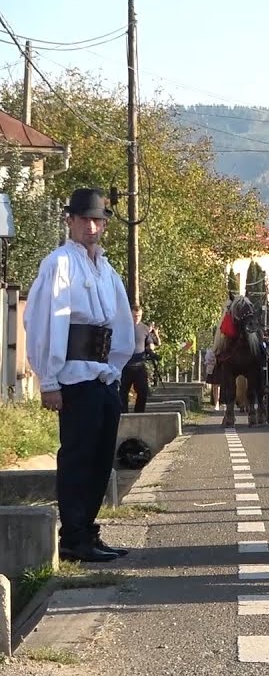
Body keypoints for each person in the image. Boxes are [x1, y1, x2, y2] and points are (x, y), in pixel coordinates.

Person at [24, 188, 135, 563]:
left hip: (103, 375)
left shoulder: (107, 270)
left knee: (102, 459)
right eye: (84, 219)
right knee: (77, 458)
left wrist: (116, 369)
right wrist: (49, 380)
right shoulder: (59, 264)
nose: (91, 226)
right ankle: (72, 537)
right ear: (70, 221)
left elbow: (119, 324)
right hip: (72, 375)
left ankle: (87, 530)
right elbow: (44, 322)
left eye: (98, 220)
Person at [119, 305, 160, 413]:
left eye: (139, 316)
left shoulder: (145, 328)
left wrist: (152, 352)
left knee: (143, 391)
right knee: (123, 393)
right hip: (125, 366)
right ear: (130, 315)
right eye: (135, 316)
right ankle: (124, 415)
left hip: (139, 366)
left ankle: (139, 414)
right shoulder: (122, 327)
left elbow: (150, 344)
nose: (137, 318)